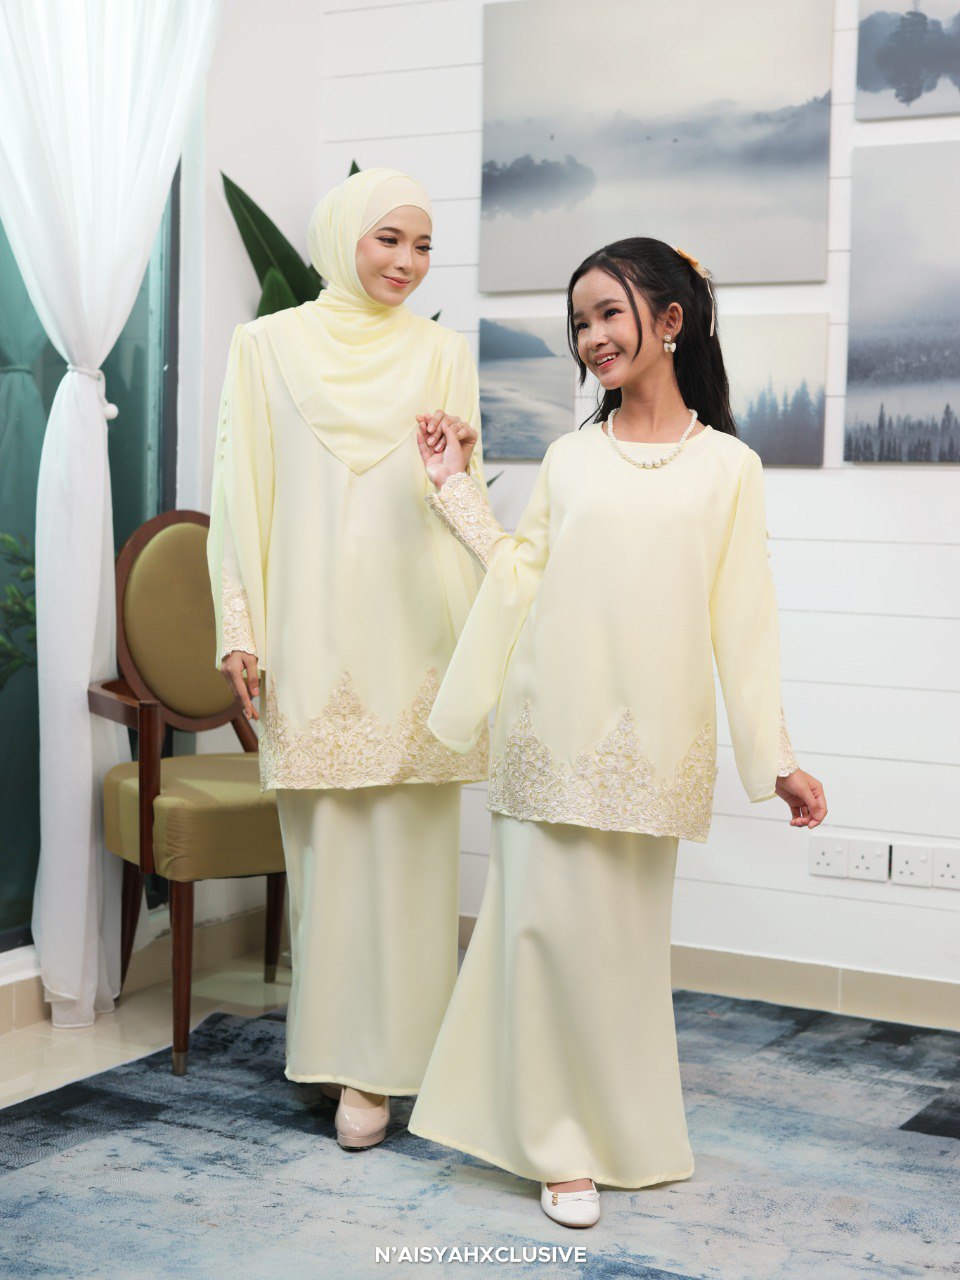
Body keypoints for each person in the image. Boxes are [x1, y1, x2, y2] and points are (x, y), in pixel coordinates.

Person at [406, 237, 827, 1227]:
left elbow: (745, 621)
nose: (591, 336)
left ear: (669, 321)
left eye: (608, 313)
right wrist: (454, 486)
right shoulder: (570, 457)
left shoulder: (729, 468)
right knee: (541, 941)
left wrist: (777, 757)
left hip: (653, 750)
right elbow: (521, 579)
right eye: (579, 321)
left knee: (619, 958)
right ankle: (558, 1148)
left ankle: (619, 1133)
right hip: (549, 731)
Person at [206, 167, 487, 1152]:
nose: (408, 262)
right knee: (327, 863)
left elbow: (457, 500)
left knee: (412, 862)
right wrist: (239, 626)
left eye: (423, 246)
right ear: (345, 238)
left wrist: (461, 472)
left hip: (417, 633)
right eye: (389, 239)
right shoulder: (265, 346)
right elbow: (240, 490)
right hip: (313, 632)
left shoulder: (444, 352)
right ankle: (341, 1053)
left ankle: (395, 1064)